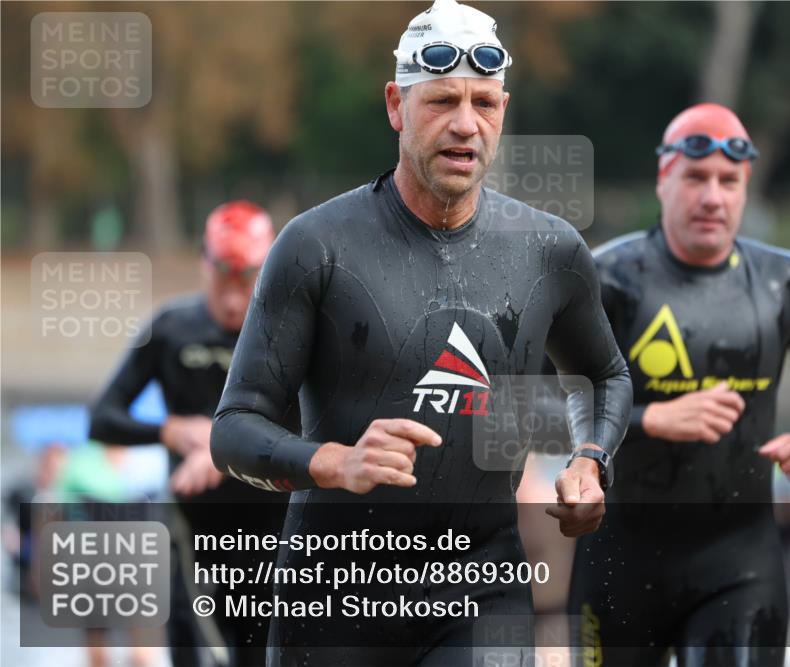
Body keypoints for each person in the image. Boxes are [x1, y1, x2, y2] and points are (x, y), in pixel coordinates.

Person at [210, 1, 631, 664]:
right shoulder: (316, 246)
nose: (466, 125)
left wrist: (590, 459)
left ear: (504, 108)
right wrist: (334, 461)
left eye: (484, 104)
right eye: (441, 101)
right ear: (395, 106)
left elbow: (605, 376)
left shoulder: (550, 250)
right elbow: (234, 428)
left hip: (482, 585)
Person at [567, 103, 790, 667]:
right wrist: (650, 420)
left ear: (745, 188)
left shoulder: (789, 283)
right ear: (664, 180)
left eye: (728, 182)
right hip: (619, 561)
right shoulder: (604, 279)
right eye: (695, 178)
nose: (713, 197)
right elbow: (520, 404)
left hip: (739, 564)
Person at [89, 200, 288, 667]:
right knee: (191, 651)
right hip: (190, 536)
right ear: (203, 264)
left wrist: (223, 449)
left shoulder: (288, 333)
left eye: (247, 279)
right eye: (223, 278)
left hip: (269, 536)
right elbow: (101, 418)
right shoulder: (170, 328)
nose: (234, 298)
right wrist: (170, 431)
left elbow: (312, 428)